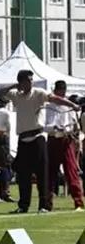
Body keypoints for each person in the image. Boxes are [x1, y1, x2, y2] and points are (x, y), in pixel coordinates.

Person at [0, 71, 79, 213]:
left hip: (38, 137)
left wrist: (72, 104)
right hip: (23, 138)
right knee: (23, 175)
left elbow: (55, 99)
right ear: (21, 82)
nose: (31, 82)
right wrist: (15, 86)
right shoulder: (16, 95)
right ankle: (23, 205)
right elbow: (0, 93)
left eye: (31, 80)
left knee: (42, 173)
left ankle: (44, 205)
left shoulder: (39, 93)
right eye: (27, 80)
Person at [44, 81, 83, 211]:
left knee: (71, 171)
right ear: (55, 91)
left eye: (63, 91)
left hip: (66, 141)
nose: (62, 94)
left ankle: (78, 202)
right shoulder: (48, 106)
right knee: (50, 173)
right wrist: (54, 128)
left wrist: (71, 129)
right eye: (60, 91)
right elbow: (44, 126)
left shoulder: (68, 106)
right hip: (53, 140)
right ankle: (47, 203)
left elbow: (74, 124)